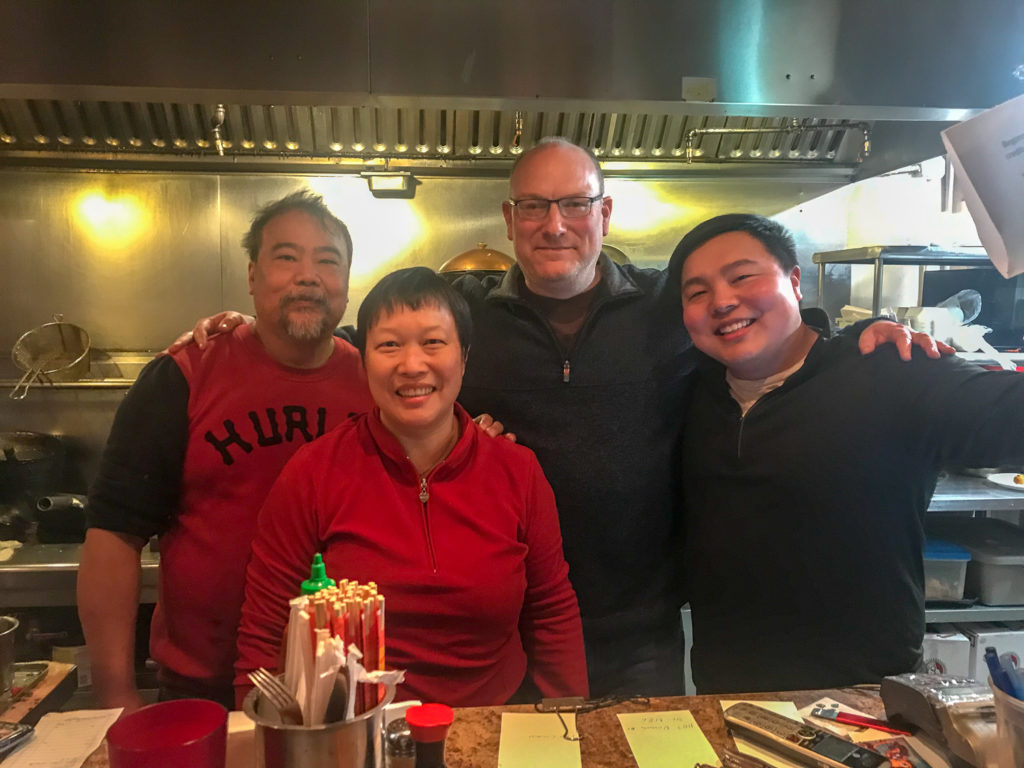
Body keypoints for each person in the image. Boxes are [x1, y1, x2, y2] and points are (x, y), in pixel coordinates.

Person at [176, 139, 940, 696]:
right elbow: (381, 340)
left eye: (575, 204)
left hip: (644, 625)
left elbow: (755, 321)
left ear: (603, 213)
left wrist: (852, 336)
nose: (555, 224)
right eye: (535, 207)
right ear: (510, 220)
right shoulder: (469, 316)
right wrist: (249, 329)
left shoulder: (667, 307)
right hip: (511, 630)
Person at [668, 213, 1024, 694]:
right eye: (697, 292)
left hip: (867, 694)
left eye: (742, 276)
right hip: (727, 689)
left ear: (794, 282)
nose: (723, 301)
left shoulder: (892, 372)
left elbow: (1005, 416)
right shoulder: (691, 391)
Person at [234, 267, 588, 706]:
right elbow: (267, 628)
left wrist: (570, 722)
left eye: (433, 342)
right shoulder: (314, 472)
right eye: (389, 345)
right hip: (359, 727)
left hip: (497, 719)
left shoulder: (518, 469)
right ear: (363, 360)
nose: (412, 364)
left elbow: (552, 610)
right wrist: (262, 734)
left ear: (464, 357)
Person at [78, 190, 374, 711]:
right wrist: (114, 694)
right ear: (253, 276)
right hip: (203, 687)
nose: (308, 275)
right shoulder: (186, 374)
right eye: (286, 257)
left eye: (327, 261)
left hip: (352, 685)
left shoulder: (377, 382)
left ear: (346, 285)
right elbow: (113, 535)